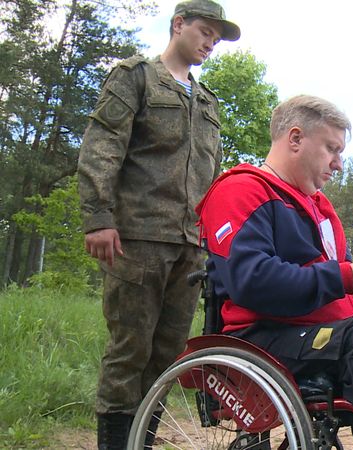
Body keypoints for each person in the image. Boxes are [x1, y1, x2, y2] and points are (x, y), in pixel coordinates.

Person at [195, 95, 353, 450]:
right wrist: (346, 278)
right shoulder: (242, 190)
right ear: (295, 139)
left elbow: (331, 285)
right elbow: (250, 280)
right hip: (264, 335)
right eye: (332, 149)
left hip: (319, 333)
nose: (338, 164)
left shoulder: (321, 210)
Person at [76, 1, 240, 448]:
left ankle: (141, 442)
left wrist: (215, 239)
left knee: (167, 356)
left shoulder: (208, 103)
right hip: (137, 238)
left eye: (216, 39)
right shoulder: (136, 77)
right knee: (130, 352)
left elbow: (212, 176)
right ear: (178, 25)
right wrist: (98, 218)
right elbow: (102, 147)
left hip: (190, 246)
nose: (210, 43)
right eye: (205, 32)